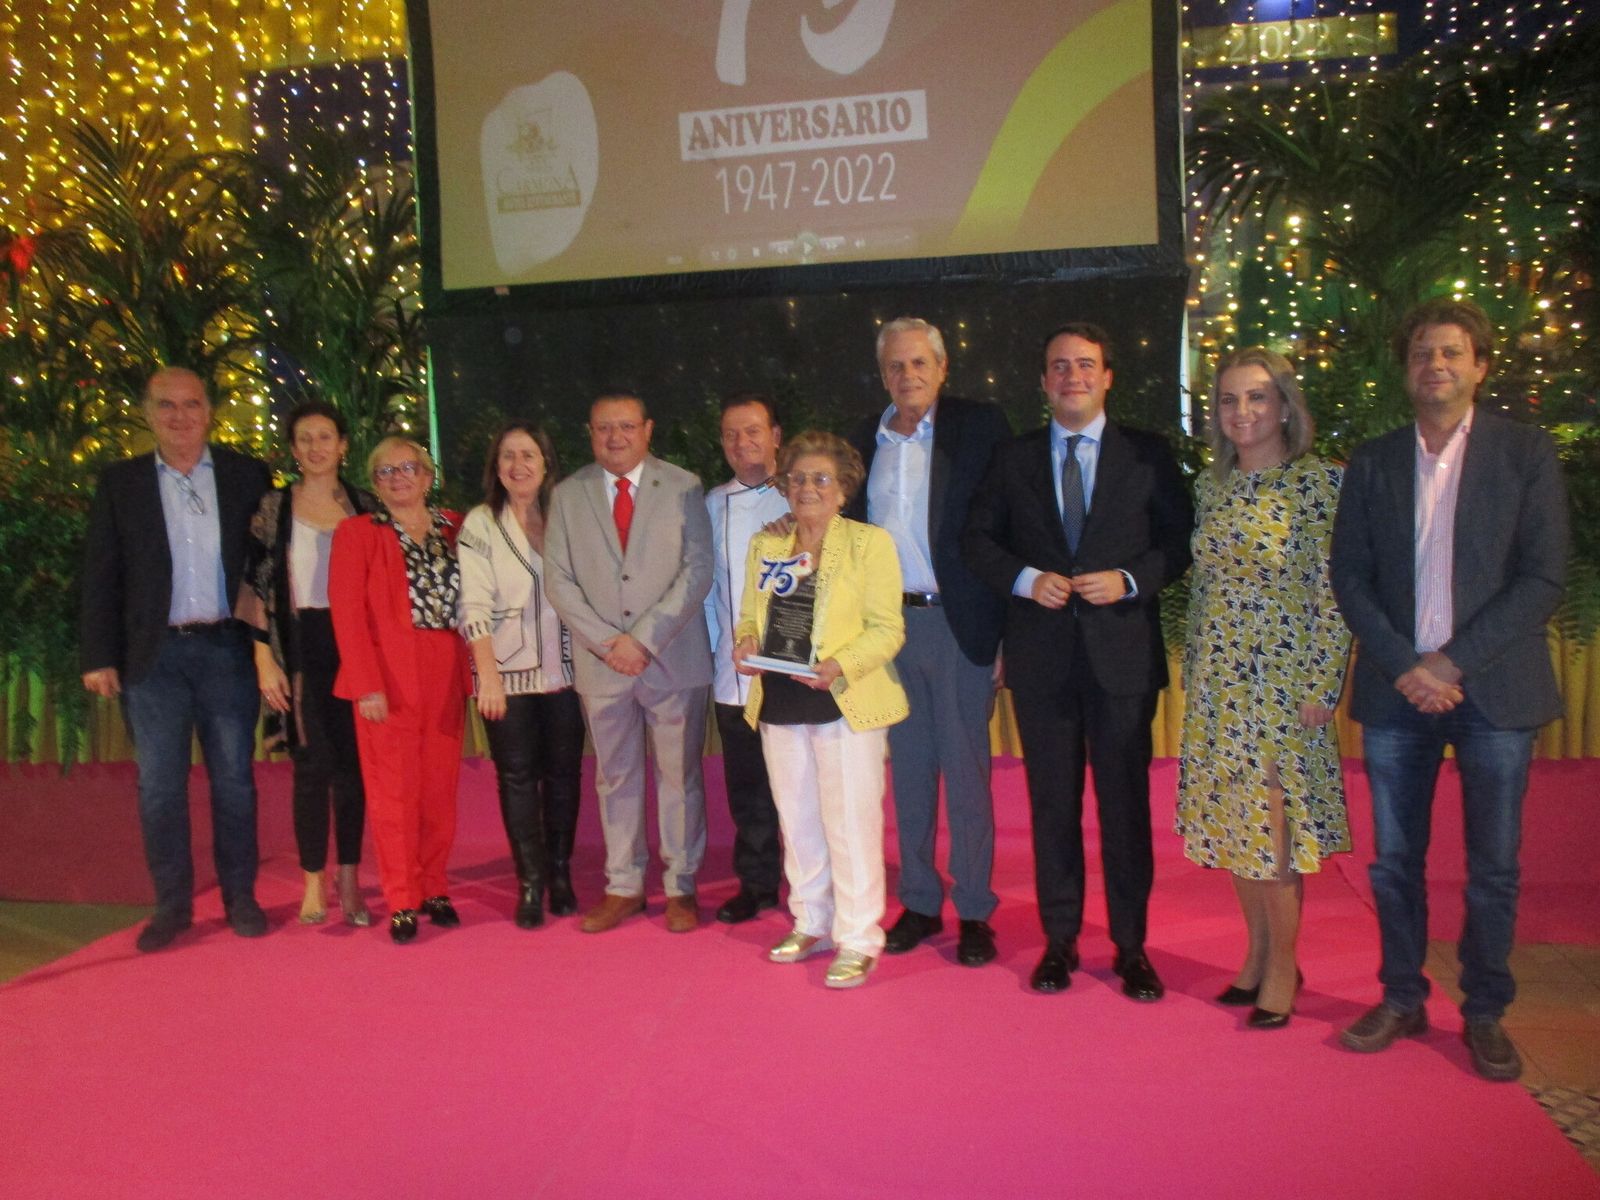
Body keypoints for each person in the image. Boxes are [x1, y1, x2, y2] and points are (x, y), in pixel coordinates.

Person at [1331, 298, 1568, 1080]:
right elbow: (1351, 576)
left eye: (1451, 353)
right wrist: (1407, 664)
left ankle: (1486, 1009)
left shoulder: (1524, 452)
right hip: (1399, 692)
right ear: (1407, 371)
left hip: (1494, 691)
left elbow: (1542, 577)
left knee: (1494, 863)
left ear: (1480, 365)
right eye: (1423, 355)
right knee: (1395, 861)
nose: (1436, 366)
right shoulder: (1373, 461)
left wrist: (1450, 663)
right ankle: (1402, 996)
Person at [964, 322, 1193, 999]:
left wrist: (1129, 580)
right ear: (1043, 381)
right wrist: (1023, 578)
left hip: (1120, 658)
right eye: (1059, 366)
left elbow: (1179, 542)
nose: (1073, 376)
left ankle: (1130, 946)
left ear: (1107, 376)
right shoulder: (1013, 458)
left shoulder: (1148, 455)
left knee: (1124, 809)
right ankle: (1059, 940)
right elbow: (976, 540)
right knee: (1052, 808)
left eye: (1085, 364)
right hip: (1041, 661)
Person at [1175, 348, 1351, 1029]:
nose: (1241, 412)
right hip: (1220, 684)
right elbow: (1207, 587)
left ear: (1283, 405)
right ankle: (1256, 954)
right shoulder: (1211, 487)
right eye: (1228, 400)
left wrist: (1321, 682)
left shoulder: (1316, 486)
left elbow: (1333, 596)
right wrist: (1197, 668)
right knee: (1234, 825)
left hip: (1283, 686)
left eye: (1255, 397)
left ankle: (1285, 966)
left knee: (1274, 831)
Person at [80, 366, 273, 952]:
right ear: (147, 414)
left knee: (235, 783)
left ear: (209, 412)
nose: (180, 417)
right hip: (154, 657)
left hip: (226, 651)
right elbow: (100, 575)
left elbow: (265, 569)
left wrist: (271, 649)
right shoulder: (121, 483)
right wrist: (99, 655)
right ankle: (172, 905)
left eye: (191, 405)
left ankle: (241, 896)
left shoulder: (248, 475)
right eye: (167, 406)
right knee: (160, 788)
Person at [844, 317, 1010, 968]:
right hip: (888, 631)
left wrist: (1004, 633)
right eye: (894, 367)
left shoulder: (980, 428)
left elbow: (1006, 529)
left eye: (918, 364)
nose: (907, 376)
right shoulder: (863, 439)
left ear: (943, 368)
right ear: (881, 375)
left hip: (960, 623)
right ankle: (918, 900)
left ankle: (974, 908)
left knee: (966, 777)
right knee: (908, 776)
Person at [734, 431, 907, 988]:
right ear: (785, 486)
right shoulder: (767, 544)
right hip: (780, 699)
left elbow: (888, 629)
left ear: (844, 490)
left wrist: (841, 662)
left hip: (842, 700)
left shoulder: (869, 544)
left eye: (821, 479)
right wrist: (745, 644)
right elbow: (749, 619)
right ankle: (811, 920)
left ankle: (858, 937)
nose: (808, 487)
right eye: (799, 478)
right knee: (798, 817)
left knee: (851, 824)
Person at [544, 391, 715, 934]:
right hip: (603, 666)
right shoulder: (568, 495)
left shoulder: (684, 485)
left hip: (671, 656)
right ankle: (624, 885)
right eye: (602, 429)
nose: (614, 438)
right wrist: (606, 643)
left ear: (648, 429)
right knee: (614, 778)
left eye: (625, 427)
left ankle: (680, 885)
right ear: (589, 433)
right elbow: (559, 582)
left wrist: (642, 640)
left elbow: (697, 571)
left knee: (678, 775)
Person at [238, 400, 379, 927]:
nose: (316, 447)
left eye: (326, 437)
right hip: (299, 648)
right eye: (305, 438)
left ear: (343, 445)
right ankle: (313, 881)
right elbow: (255, 583)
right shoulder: (275, 508)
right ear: (293, 450)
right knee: (311, 768)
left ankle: (349, 879)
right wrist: (262, 658)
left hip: (356, 648)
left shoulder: (366, 505)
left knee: (354, 770)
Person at [328, 436, 472, 944]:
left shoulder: (457, 526)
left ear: (428, 476)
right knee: (393, 792)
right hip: (387, 676)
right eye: (386, 472)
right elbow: (347, 616)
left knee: (438, 788)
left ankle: (435, 886)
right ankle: (402, 898)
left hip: (446, 667)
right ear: (375, 483)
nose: (399, 477)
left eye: (409, 468)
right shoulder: (357, 533)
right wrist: (366, 684)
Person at [458, 421, 584, 928]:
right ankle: (529, 880)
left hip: (570, 673)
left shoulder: (569, 517)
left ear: (547, 462)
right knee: (516, 778)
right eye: (508, 456)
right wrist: (486, 676)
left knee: (564, 776)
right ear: (497, 467)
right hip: (506, 678)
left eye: (528, 455)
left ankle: (559, 874)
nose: (518, 465)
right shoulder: (481, 524)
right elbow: (472, 605)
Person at [705, 392, 791, 924]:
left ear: (776, 435)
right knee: (748, 789)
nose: (744, 443)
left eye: (754, 431)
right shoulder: (713, 503)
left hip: (795, 673)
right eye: (732, 435)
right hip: (732, 672)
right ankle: (756, 883)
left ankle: (814, 889)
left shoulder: (803, 494)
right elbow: (708, 587)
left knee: (800, 786)